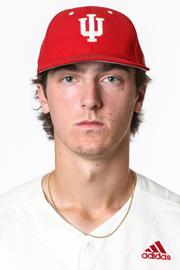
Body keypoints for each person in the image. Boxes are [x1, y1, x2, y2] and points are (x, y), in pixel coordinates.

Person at [0, 5, 180, 270]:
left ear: (139, 96)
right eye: (70, 78)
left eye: (111, 79)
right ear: (43, 95)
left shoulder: (173, 225)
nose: (90, 100)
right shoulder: (7, 225)